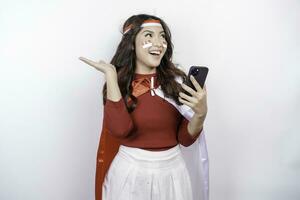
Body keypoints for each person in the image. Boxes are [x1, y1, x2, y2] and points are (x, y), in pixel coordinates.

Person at [79, 14, 209, 200]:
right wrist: (110, 75)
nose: (158, 43)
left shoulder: (177, 82)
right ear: (131, 43)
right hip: (130, 173)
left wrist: (201, 114)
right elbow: (120, 130)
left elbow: (184, 139)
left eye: (162, 36)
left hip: (173, 173)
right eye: (149, 35)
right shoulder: (120, 83)